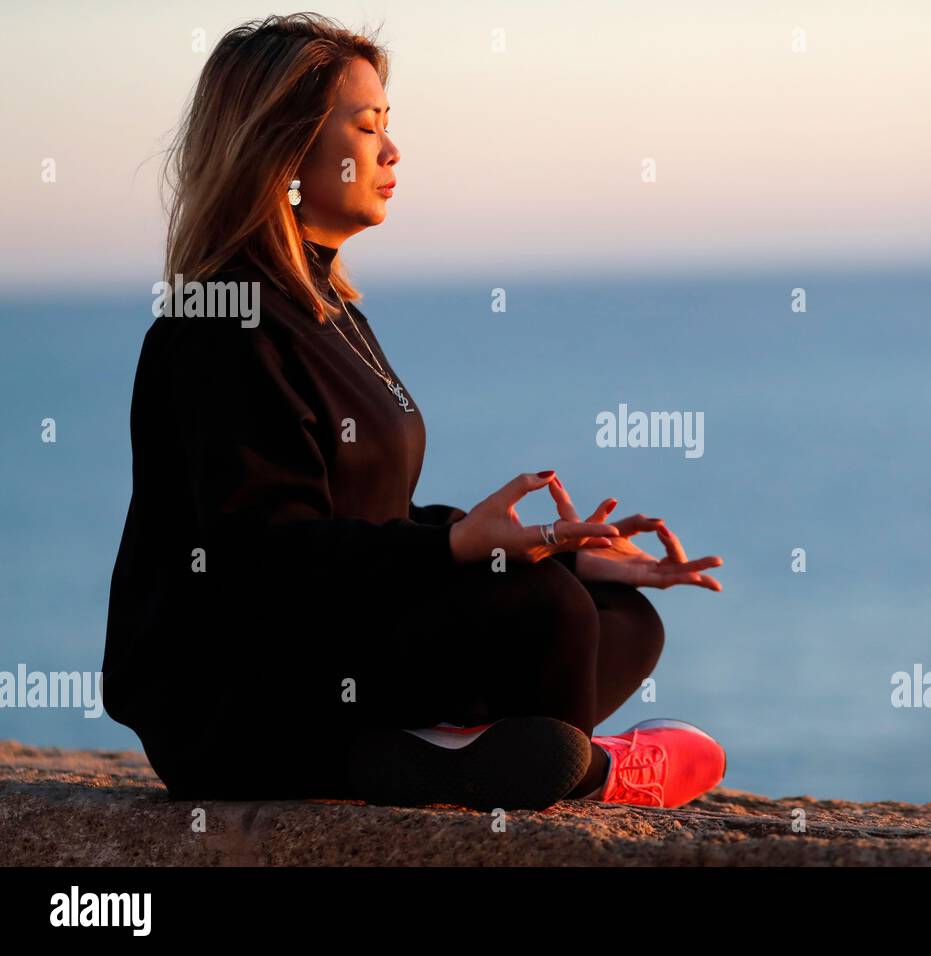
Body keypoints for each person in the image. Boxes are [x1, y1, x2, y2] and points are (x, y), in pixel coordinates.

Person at [102, 13, 726, 812]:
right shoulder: (218, 323)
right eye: (366, 128)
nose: (392, 152)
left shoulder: (331, 312)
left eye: (389, 126)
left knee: (621, 616)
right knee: (544, 615)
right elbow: (263, 556)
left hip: (334, 647)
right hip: (237, 696)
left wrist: (556, 550)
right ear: (282, 149)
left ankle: (429, 751)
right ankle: (593, 773)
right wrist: (471, 553)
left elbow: (376, 517)